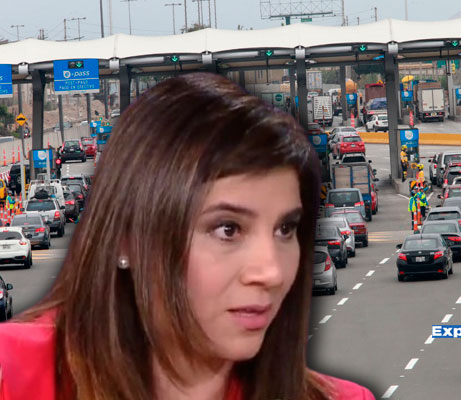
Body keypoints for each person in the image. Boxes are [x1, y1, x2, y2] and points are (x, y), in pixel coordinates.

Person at [0, 73, 375, 400]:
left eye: (285, 229)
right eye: (228, 229)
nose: (271, 272)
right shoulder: (13, 375)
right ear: (126, 239)